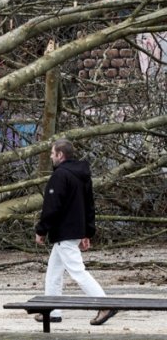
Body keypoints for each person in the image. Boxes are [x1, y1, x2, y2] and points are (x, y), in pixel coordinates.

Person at [34, 138, 116, 326]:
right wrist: (87, 232)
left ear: (60, 155)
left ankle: (105, 304)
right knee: (53, 273)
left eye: (53, 153)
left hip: (64, 232)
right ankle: (52, 310)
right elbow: (89, 205)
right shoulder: (82, 176)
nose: (51, 156)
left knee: (78, 271)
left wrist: (41, 230)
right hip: (74, 231)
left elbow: (52, 207)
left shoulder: (60, 176)